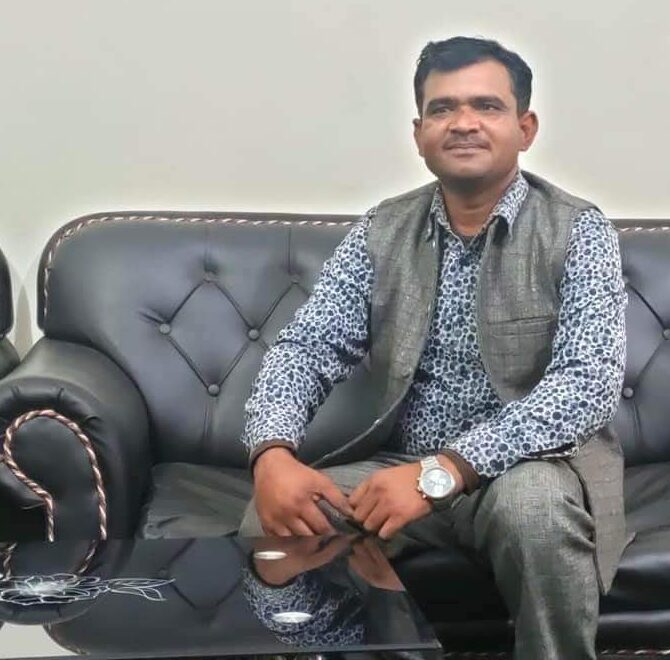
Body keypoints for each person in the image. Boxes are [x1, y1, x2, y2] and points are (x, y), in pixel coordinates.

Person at [239, 35, 629, 659]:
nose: (463, 123)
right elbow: (306, 347)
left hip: (525, 472)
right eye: (443, 108)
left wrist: (442, 472)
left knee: (536, 514)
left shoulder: (578, 230)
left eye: (487, 106)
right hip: (396, 469)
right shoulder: (382, 229)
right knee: (270, 519)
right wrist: (271, 452)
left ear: (525, 128)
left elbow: (586, 386)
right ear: (419, 134)